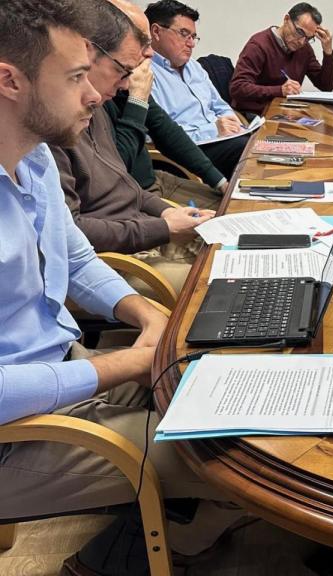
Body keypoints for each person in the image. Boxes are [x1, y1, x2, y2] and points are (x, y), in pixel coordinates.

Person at [0, 2, 238, 573]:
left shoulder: (29, 159)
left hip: (64, 371)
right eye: (76, 77)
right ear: (10, 79)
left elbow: (77, 258)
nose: (94, 95)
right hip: (17, 434)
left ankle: (124, 544)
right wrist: (126, 367)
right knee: (228, 455)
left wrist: (146, 317)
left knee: (225, 372)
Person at [50, 0, 216, 297]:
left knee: (234, 247)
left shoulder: (98, 103)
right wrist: (163, 228)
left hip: (141, 232)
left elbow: (127, 185)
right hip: (118, 257)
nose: (128, 83)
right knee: (220, 282)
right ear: (88, 51)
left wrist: (167, 215)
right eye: (123, 71)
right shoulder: (54, 125)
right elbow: (72, 233)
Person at [104, 0, 227, 209]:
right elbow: (113, 170)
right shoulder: (92, 96)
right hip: (131, 195)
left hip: (156, 178)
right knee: (220, 221)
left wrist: (219, 180)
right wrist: (137, 100)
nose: (150, 52)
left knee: (230, 201)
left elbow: (164, 128)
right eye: (141, 41)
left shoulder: (126, 79)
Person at [145, 0, 250, 180]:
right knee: (246, 152)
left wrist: (231, 120)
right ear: (156, 32)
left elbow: (220, 106)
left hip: (222, 139)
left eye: (193, 37)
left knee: (258, 144)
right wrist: (214, 130)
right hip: (189, 151)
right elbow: (157, 136)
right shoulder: (145, 74)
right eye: (184, 34)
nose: (191, 44)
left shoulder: (195, 67)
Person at [230, 2, 333, 115]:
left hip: (286, 112)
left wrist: (327, 51)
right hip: (255, 114)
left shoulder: (304, 49)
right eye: (299, 32)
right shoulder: (258, 45)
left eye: (308, 38)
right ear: (286, 19)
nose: (301, 41)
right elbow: (238, 87)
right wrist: (280, 90)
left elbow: (326, 86)